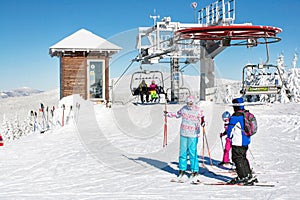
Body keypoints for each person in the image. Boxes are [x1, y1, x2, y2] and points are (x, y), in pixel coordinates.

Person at [165, 95, 205, 180]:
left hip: (193, 134)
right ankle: (182, 169)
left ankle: (195, 170)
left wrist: (203, 123)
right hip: (184, 133)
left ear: (193, 102)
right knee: (182, 152)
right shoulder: (184, 109)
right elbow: (177, 114)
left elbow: (202, 118)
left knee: (192, 152)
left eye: (191, 103)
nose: (189, 104)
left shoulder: (198, 110)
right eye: (188, 103)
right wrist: (168, 114)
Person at [226, 97, 257, 185]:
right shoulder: (245, 114)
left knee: (237, 158)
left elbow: (230, 131)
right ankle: (248, 175)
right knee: (243, 158)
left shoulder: (235, 116)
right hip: (246, 141)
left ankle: (242, 176)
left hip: (237, 141)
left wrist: (229, 137)